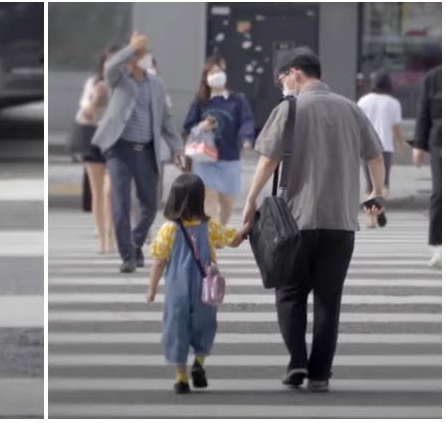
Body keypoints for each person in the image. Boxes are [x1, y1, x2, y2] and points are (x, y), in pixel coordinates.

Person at [239, 47, 386, 393]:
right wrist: (376, 193)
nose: (282, 84)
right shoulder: (351, 109)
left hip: (296, 223)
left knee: (289, 293)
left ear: (294, 73)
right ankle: (320, 375)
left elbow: (267, 162)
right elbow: (376, 156)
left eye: (282, 77)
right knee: (328, 299)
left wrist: (249, 204)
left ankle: (297, 363)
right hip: (340, 223)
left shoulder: (289, 109)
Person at [91, 31, 183, 273]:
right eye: (140, 55)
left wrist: (177, 148)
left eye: (146, 54)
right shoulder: (119, 79)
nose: (145, 58)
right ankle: (127, 256)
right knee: (121, 204)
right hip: (120, 149)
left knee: (150, 204)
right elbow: (110, 65)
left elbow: (166, 120)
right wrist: (132, 48)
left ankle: (135, 242)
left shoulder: (157, 85)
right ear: (131, 58)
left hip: (146, 151)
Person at [147, 174, 247, 394]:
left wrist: (152, 290)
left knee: (177, 327)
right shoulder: (210, 227)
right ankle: (199, 362)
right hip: (205, 287)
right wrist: (248, 226)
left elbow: (159, 262)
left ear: (174, 198)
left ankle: (181, 376)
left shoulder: (168, 230)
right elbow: (233, 240)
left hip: (177, 288)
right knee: (205, 323)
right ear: (200, 198)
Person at [182, 56, 256, 226]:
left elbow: (246, 121)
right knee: (209, 198)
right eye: (213, 72)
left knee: (227, 202)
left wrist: (247, 139)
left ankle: (219, 231)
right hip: (205, 159)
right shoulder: (200, 101)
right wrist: (202, 126)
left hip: (230, 157)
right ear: (206, 78)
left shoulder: (237, 100)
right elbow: (188, 125)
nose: (217, 75)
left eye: (220, 71)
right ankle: (211, 236)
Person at [68, 46, 121, 253]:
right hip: (94, 139)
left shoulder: (127, 84)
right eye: (108, 61)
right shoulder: (93, 83)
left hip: (117, 139)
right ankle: (102, 238)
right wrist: (95, 99)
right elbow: (85, 115)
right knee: (97, 191)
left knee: (112, 190)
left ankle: (112, 232)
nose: (111, 65)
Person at [357, 70, 404, 228]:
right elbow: (396, 127)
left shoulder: (363, 101)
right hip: (386, 147)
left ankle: (370, 219)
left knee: (369, 185)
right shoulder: (393, 103)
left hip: (367, 146)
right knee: (383, 185)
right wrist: (402, 144)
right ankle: (378, 209)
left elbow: (358, 126)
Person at [411, 65, 442, 268]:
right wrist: (419, 146)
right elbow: (423, 113)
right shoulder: (432, 78)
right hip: (440, 143)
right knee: (440, 193)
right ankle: (438, 245)